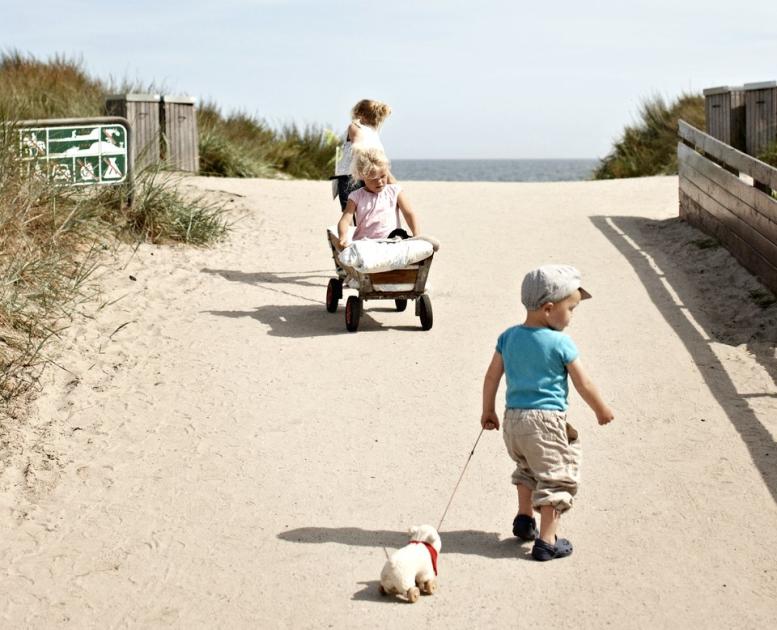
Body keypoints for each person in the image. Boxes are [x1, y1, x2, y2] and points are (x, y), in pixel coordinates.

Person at [480, 265, 614, 561]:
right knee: (555, 476)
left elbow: (492, 376)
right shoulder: (561, 343)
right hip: (545, 422)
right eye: (571, 308)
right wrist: (601, 409)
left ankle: (525, 517)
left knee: (528, 467)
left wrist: (488, 410)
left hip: (513, 421)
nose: (572, 315)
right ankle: (548, 540)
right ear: (549, 308)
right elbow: (583, 382)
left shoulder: (508, 337)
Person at [336, 147, 419, 249]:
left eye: (383, 176)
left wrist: (416, 234)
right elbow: (345, 220)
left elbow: (409, 213)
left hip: (392, 242)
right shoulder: (356, 196)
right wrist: (343, 237)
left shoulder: (395, 191)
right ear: (362, 176)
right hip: (365, 244)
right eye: (373, 179)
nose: (379, 182)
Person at [333, 99, 393, 210]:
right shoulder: (373, 133)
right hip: (371, 174)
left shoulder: (355, 126)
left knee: (350, 210)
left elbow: (357, 145)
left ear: (359, 114)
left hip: (351, 175)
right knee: (367, 208)